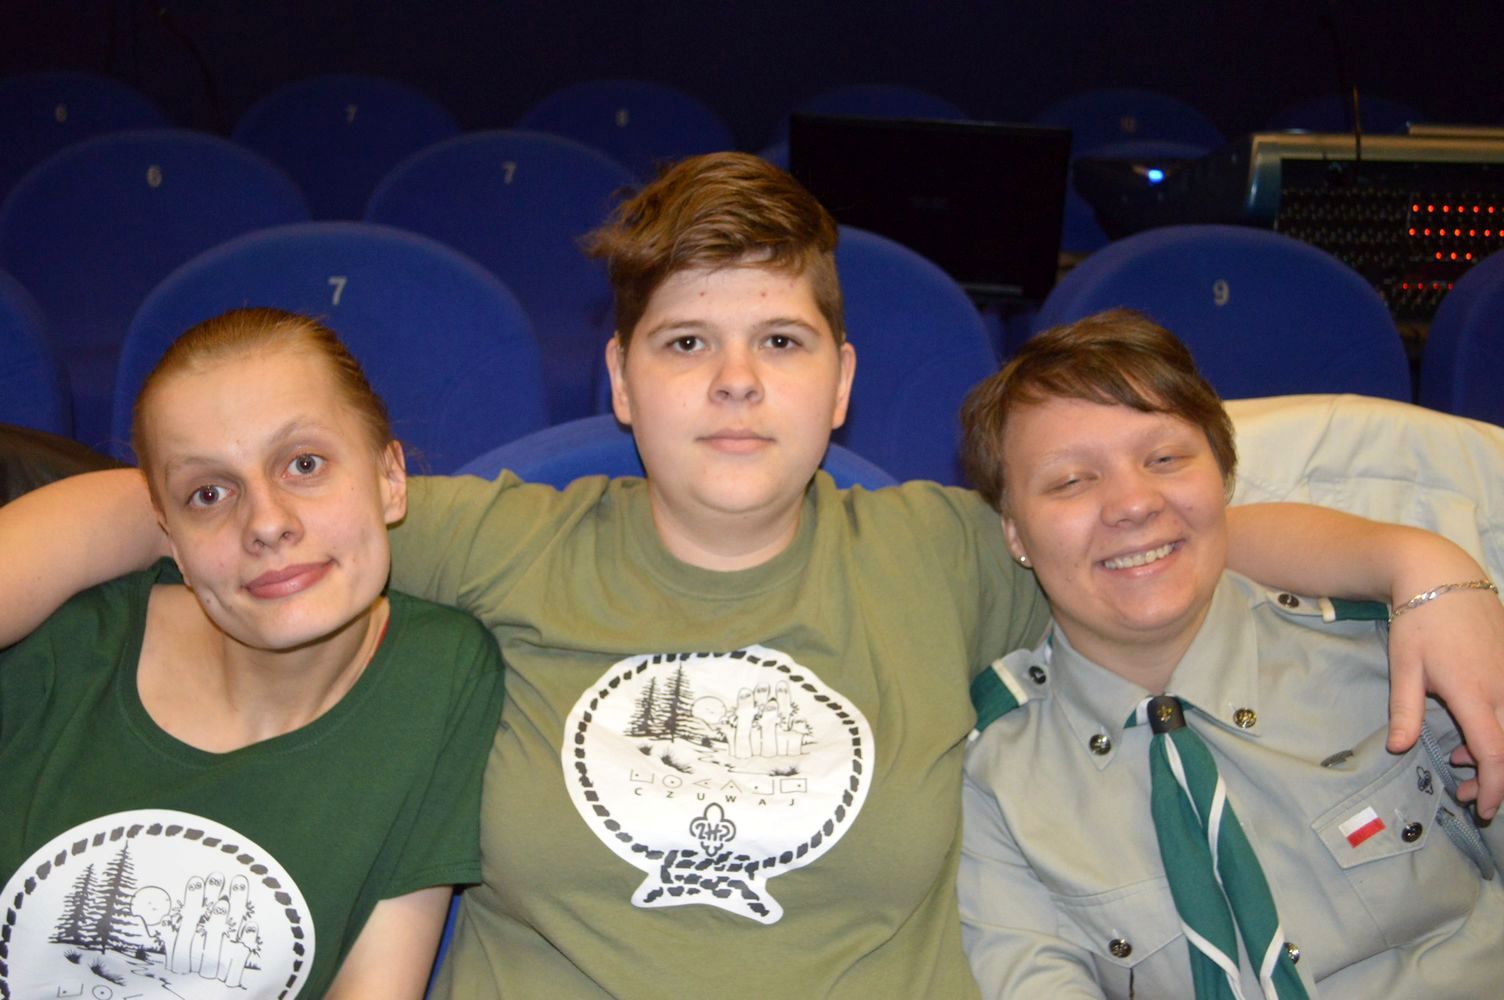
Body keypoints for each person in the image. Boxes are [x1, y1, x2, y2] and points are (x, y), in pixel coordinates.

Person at [1, 156, 1502, 999]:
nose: (733, 382)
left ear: (838, 383)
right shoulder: (505, 536)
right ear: (620, 381)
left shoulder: (931, 549)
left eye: (778, 342)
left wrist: (1425, 568)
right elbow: (197, 502)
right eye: (685, 344)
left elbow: (1155, 529)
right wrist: (168, 504)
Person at [956, 309, 1503, 998]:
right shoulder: (995, 780)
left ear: (1222, 478)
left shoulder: (1397, 653)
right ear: (1015, 535)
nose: (1133, 504)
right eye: (1071, 481)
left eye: (1165, 460)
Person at [0, 308, 503, 998]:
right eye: (208, 494)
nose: (266, 523)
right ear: (168, 536)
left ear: (391, 478)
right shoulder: (61, 648)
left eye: (304, 464)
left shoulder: (439, 676)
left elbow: (375, 982)